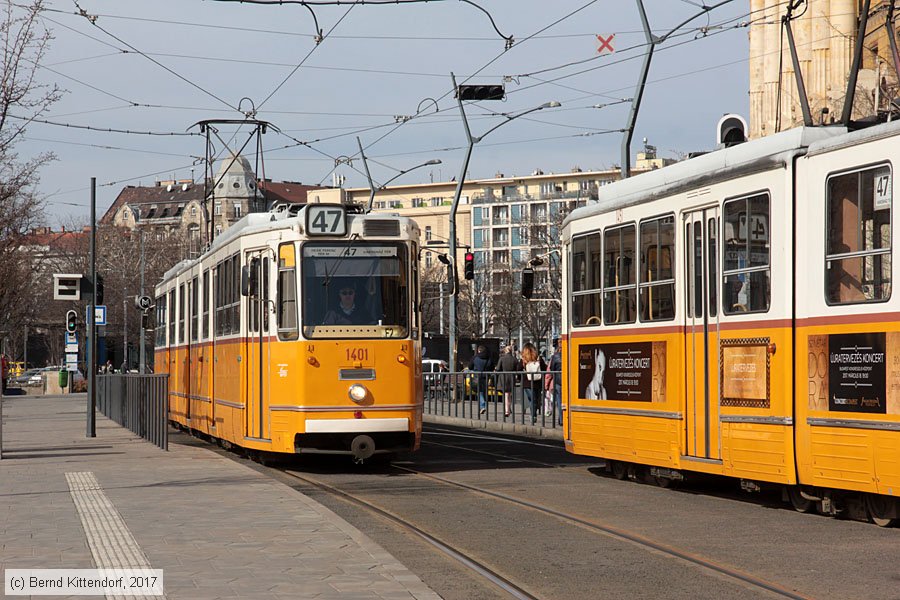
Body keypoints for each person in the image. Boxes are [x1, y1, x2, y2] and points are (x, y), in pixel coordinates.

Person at [520, 342, 546, 425]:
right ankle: (533, 415)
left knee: (532, 399)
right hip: (537, 382)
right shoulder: (539, 359)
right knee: (535, 400)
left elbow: (518, 369)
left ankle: (533, 415)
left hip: (527, 383)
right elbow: (544, 368)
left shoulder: (523, 360)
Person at [494, 344, 520, 418]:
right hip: (512, 377)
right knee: (509, 394)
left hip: (504, 377)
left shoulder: (502, 358)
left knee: (506, 394)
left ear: (505, 351)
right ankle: (509, 408)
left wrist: (496, 370)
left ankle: (507, 410)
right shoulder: (514, 359)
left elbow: (498, 368)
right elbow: (517, 369)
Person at [468, 345, 494, 415]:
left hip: (477, 376)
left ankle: (482, 406)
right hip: (486, 376)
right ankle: (482, 406)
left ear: (479, 350)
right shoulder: (489, 358)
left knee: (479, 391)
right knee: (484, 391)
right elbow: (492, 367)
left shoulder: (475, 357)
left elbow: (470, 367)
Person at [548, 338, 562, 425]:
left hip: (558, 381)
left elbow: (552, 369)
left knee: (559, 401)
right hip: (569, 381)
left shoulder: (555, 356)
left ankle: (561, 419)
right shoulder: (570, 353)